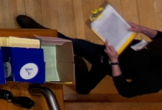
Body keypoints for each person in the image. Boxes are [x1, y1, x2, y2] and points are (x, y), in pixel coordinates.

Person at [16, 14, 162, 99]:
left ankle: (40, 31)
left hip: (110, 60)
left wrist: (114, 61)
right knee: (88, 81)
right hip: (117, 49)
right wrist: (142, 29)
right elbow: (159, 36)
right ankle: (83, 87)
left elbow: (126, 91)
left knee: (76, 44)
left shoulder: (155, 82)